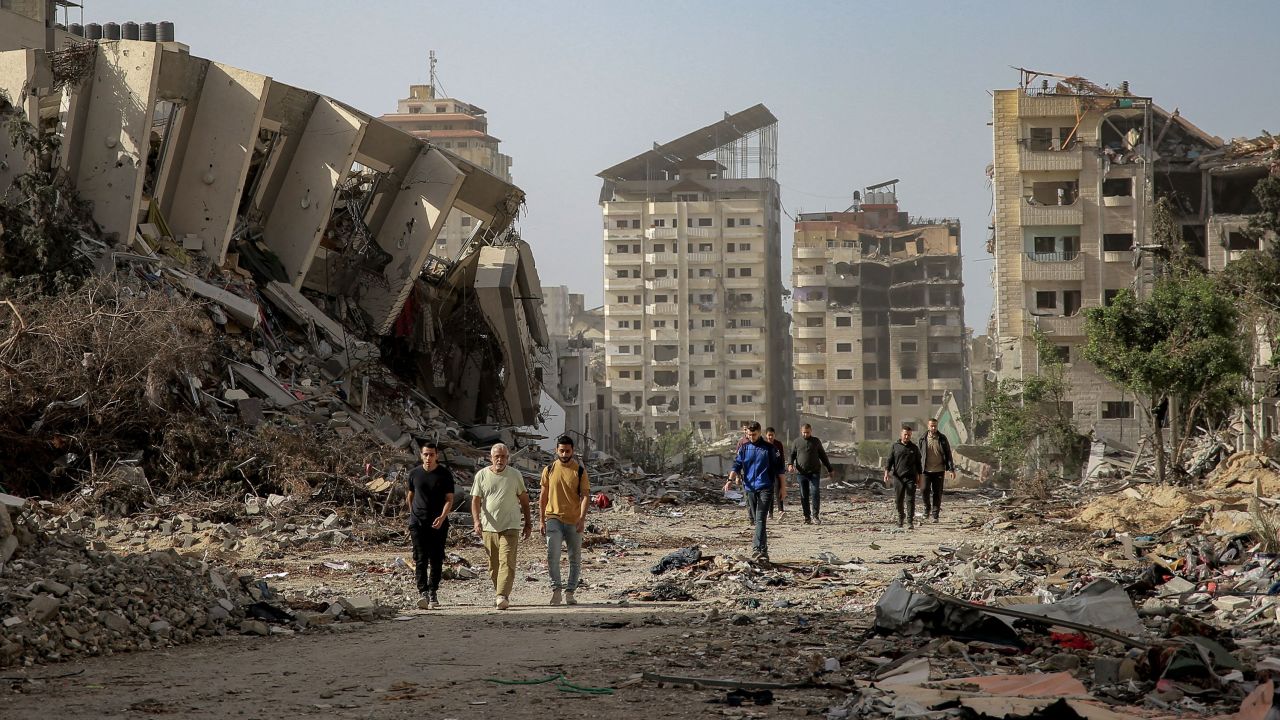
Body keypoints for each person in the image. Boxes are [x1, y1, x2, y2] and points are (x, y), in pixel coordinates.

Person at [471, 443, 532, 610]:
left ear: (508, 458)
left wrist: (528, 523)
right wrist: (477, 521)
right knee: (493, 565)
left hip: (510, 526)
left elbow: (525, 501)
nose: (500, 459)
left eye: (503, 456)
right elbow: (475, 501)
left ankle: (502, 595)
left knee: (507, 561)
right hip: (489, 527)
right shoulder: (482, 475)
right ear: (491, 458)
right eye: (497, 456)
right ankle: (500, 591)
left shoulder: (515, 475)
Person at [539, 435, 590, 606]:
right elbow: (543, 496)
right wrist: (541, 520)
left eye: (567, 451)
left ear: (572, 451)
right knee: (552, 555)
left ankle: (570, 592)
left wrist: (582, 519)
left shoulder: (580, 471)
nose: (564, 453)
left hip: (573, 521)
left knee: (574, 558)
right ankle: (556, 590)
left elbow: (585, 496)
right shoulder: (549, 469)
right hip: (553, 518)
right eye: (561, 450)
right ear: (556, 450)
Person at [723, 422, 782, 562]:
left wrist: (783, 488)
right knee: (757, 521)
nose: (751, 437)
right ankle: (764, 551)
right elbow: (737, 465)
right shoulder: (744, 448)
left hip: (765, 486)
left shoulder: (769, 449)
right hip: (749, 488)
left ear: (760, 432)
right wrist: (730, 480)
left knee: (761, 519)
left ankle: (757, 549)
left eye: (754, 435)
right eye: (748, 435)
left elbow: (780, 469)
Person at [406, 443, 454, 609]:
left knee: (436, 558)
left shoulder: (444, 474)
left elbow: (449, 499)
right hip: (418, 523)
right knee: (420, 558)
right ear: (421, 455)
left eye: (431, 455)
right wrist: (413, 515)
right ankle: (423, 592)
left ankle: (433, 591)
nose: (428, 458)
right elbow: (410, 496)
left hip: (438, 523)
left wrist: (442, 517)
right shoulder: (414, 474)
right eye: (425, 454)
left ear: (437, 456)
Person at [788, 423, 834, 525]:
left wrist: (830, 469)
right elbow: (792, 454)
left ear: (811, 431)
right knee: (804, 495)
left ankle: (815, 516)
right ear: (801, 431)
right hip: (801, 473)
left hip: (814, 472)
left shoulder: (816, 441)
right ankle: (807, 517)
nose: (805, 434)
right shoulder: (796, 442)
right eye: (804, 432)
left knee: (815, 492)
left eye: (807, 432)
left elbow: (823, 456)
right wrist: (790, 464)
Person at [883, 425, 923, 529]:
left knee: (910, 499)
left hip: (911, 478)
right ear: (901, 434)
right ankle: (901, 518)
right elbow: (889, 461)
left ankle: (910, 521)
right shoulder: (895, 446)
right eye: (905, 434)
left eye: (909, 435)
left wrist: (920, 479)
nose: (907, 437)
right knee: (898, 500)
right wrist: (886, 473)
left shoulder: (914, 448)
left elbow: (919, 465)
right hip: (898, 478)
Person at [921, 418, 956, 523]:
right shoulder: (923, 439)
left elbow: (948, 454)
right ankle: (927, 508)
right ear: (928, 426)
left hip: (939, 470)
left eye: (935, 426)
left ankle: (935, 514)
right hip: (926, 470)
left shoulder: (942, 438)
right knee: (924, 490)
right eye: (931, 426)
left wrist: (951, 469)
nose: (933, 428)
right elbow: (919, 455)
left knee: (937, 493)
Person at [765, 427, 786, 519]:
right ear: (766, 435)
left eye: (772, 435)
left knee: (779, 489)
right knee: (769, 492)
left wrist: (782, 469)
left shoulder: (778, 444)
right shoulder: (764, 445)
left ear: (774, 435)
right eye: (769, 435)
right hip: (767, 471)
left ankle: (781, 510)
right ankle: (770, 512)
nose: (770, 437)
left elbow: (781, 457)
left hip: (777, 470)